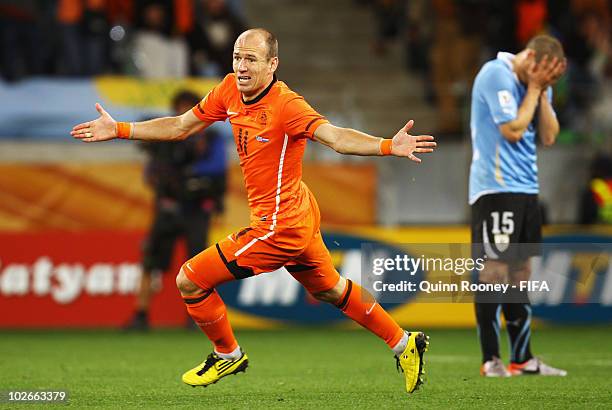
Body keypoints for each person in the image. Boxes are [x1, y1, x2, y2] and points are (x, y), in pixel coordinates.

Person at [71, 28, 436, 394]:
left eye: (251, 59)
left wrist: (388, 145)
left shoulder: (287, 105)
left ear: (272, 64)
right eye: (237, 57)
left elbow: (337, 138)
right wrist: (119, 128)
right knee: (330, 289)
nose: (241, 66)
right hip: (297, 209)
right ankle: (405, 344)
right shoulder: (229, 88)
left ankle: (228, 353)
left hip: (279, 226)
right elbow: (181, 126)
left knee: (189, 279)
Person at [469, 34, 568, 377]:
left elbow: (549, 135)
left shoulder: (537, 84)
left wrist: (540, 91)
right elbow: (512, 129)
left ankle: (523, 359)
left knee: (520, 272)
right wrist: (534, 90)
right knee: (494, 269)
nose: (543, 83)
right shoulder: (495, 73)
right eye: (542, 77)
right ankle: (491, 359)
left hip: (527, 189)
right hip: (495, 187)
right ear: (530, 58)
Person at [126, 90, 227, 330]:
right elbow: (150, 175)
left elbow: (216, 170)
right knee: (150, 262)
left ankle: (198, 317)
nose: (183, 112)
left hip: (196, 210)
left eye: (188, 107)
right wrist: (167, 176)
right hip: (168, 208)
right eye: (179, 107)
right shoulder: (164, 139)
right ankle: (140, 314)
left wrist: (188, 176)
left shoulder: (211, 138)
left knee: (198, 267)